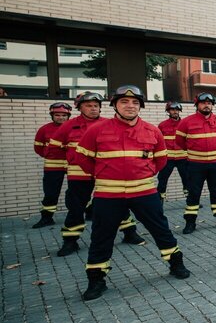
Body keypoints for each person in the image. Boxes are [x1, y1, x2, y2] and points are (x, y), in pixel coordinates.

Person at [72, 85, 190, 301]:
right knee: (101, 236)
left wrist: (142, 174)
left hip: (144, 191)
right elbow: (82, 159)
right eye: (124, 102)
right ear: (115, 105)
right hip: (108, 194)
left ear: (140, 106)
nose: (130, 106)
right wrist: (106, 174)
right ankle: (96, 280)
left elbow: (160, 160)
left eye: (135, 102)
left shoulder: (152, 131)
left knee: (161, 229)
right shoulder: (96, 130)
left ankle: (176, 264)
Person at [51, 92, 145, 255]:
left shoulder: (109, 124)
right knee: (76, 207)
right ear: (79, 108)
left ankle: (129, 232)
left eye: (96, 106)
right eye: (88, 106)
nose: (93, 108)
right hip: (79, 174)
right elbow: (53, 149)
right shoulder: (68, 126)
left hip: (106, 175)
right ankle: (70, 241)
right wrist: (71, 159)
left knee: (119, 204)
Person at [177, 93, 216, 233]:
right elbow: (180, 142)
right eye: (203, 103)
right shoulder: (186, 122)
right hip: (195, 164)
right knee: (193, 193)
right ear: (197, 105)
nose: (206, 105)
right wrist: (196, 152)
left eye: (209, 103)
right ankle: (190, 222)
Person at [31, 102, 72, 228]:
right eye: (57, 115)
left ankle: (87, 213)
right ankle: (47, 218)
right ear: (52, 115)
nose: (61, 117)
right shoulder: (44, 129)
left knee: (78, 191)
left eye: (64, 115)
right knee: (50, 193)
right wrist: (49, 154)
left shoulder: (75, 127)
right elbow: (38, 147)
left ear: (68, 116)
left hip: (73, 165)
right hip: (53, 166)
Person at [157, 102, 188, 199]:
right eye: (172, 110)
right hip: (167, 159)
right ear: (168, 111)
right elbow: (158, 142)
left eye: (177, 110)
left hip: (183, 158)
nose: (175, 112)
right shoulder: (162, 125)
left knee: (187, 179)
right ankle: (159, 201)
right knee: (162, 179)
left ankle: (191, 201)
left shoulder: (185, 124)